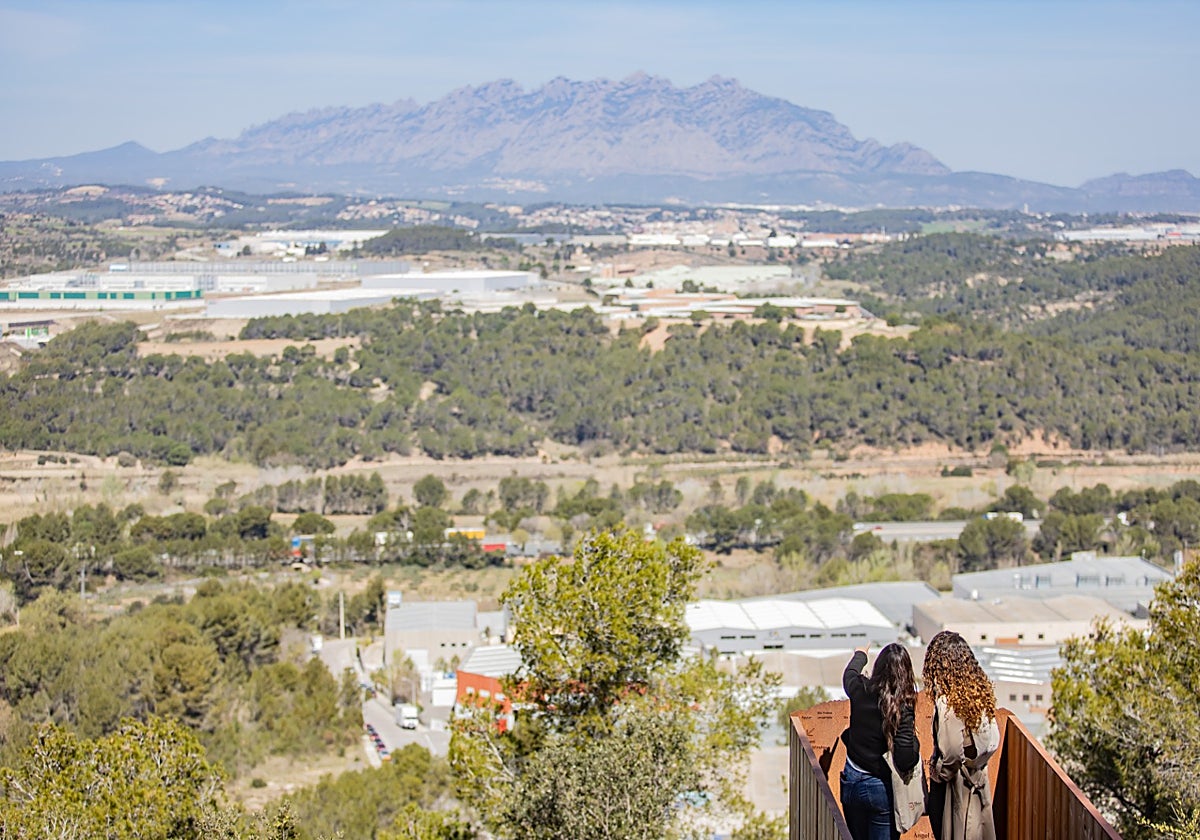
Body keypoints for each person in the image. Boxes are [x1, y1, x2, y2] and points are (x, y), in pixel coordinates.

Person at [922, 630, 1001, 840]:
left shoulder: (948, 703)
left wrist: (937, 774)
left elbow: (951, 753)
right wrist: (976, 764)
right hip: (978, 784)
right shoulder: (980, 693)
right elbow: (993, 740)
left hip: (953, 790)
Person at [840, 642, 920, 840]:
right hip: (879, 790)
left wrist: (860, 654)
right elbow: (905, 759)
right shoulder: (902, 706)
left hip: (851, 780)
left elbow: (849, 674)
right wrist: (915, 741)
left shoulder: (860, 688)